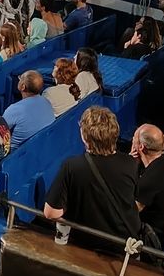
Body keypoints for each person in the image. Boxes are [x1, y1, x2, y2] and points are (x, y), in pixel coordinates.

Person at [44, 106, 141, 251]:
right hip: (125, 245)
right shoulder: (131, 164)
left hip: (87, 246)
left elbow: (51, 213)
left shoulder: (72, 167)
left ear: (84, 137)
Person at [131, 123, 164, 244]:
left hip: (154, 236)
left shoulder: (152, 177)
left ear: (141, 147)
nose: (132, 140)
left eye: (134, 137)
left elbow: (131, 212)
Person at [3, 71, 55, 149]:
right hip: (42, 146)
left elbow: (0, 132)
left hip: (16, 153)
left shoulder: (14, 109)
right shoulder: (46, 101)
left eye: (20, 78)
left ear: (23, 87)